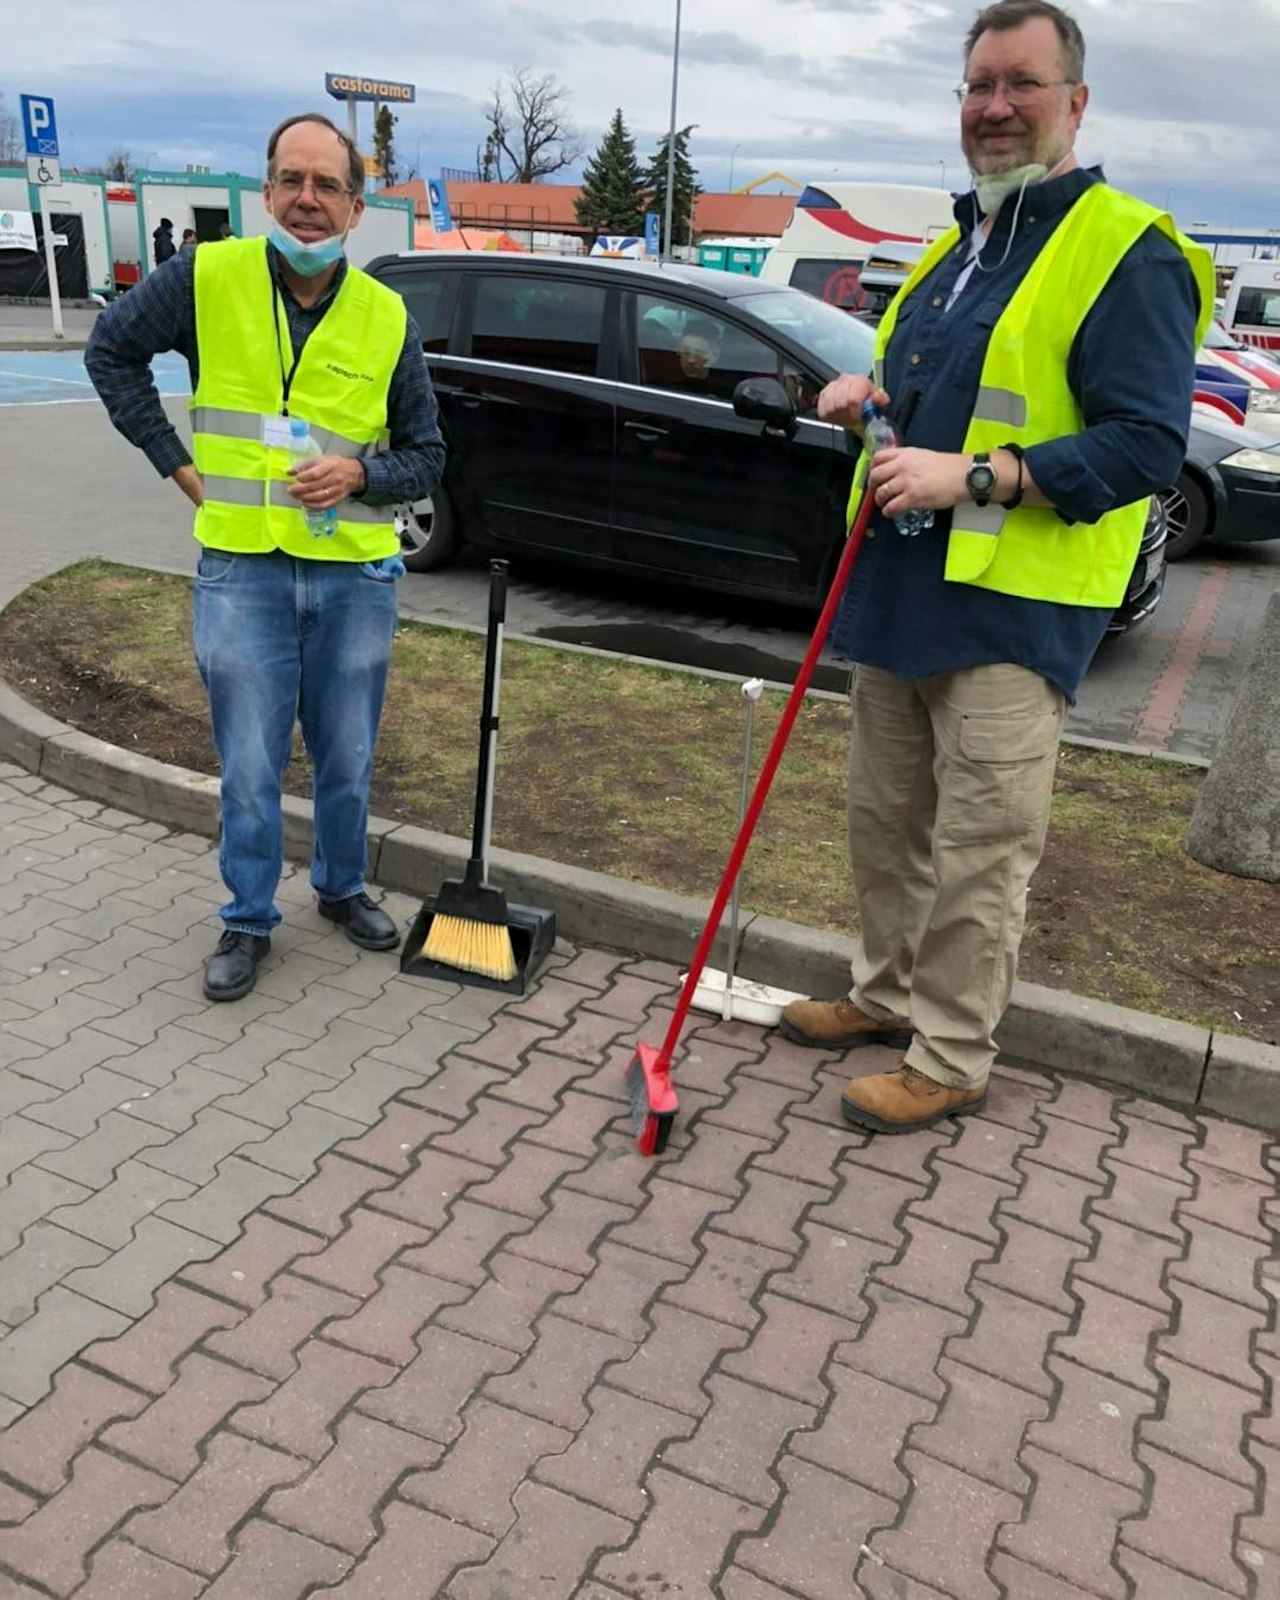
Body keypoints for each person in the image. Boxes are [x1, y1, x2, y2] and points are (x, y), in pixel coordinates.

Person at [777, 0, 1212, 1135]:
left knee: (978, 848)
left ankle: (952, 1052)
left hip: (1015, 611)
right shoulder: (952, 247)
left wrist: (971, 478)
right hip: (899, 592)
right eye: (976, 84)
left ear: (1074, 101)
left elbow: (1141, 447)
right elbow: (924, 409)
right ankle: (882, 999)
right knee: (884, 823)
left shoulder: (1126, 249)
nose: (993, 106)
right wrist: (863, 402)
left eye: (1019, 83)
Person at [86, 112, 445, 1003]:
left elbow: (428, 455)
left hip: (352, 575)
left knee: (347, 752)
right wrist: (173, 461)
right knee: (249, 759)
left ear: (357, 209)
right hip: (242, 567)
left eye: (329, 186)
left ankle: (339, 886)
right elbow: (110, 351)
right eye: (293, 180)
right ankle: (247, 919)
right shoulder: (208, 278)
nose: (308, 200)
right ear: (267, 190)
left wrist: (361, 471)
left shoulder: (386, 315)